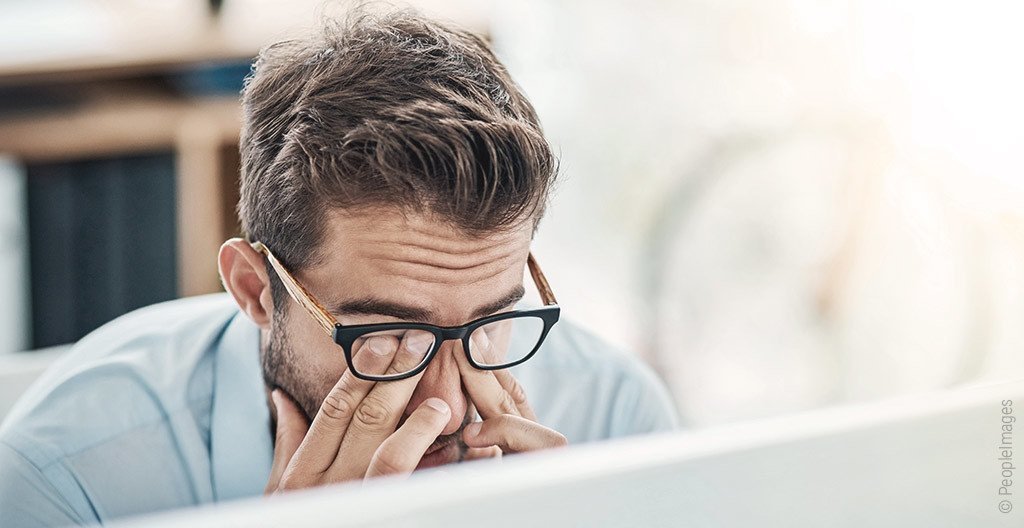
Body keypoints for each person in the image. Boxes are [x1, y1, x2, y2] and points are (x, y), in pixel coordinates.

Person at [0, 8, 677, 526]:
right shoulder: (67, 479)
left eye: (491, 324)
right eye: (388, 337)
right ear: (255, 289)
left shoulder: (614, 418)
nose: (445, 409)